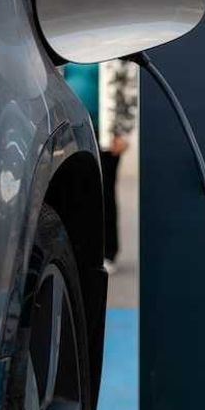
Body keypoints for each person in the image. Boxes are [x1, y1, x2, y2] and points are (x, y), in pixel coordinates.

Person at [63, 59, 138, 272]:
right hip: (72, 130)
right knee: (74, 192)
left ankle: (107, 252)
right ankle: (76, 249)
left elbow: (131, 89)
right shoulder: (68, 43)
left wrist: (125, 132)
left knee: (103, 191)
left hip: (106, 135)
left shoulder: (115, 48)